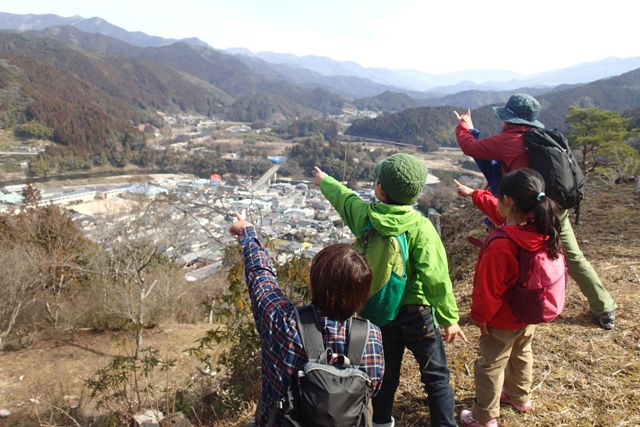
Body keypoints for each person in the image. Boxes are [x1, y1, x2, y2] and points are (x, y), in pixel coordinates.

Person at [314, 153, 467, 427]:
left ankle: (381, 422)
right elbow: (435, 277)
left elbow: (344, 199)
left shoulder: (365, 216)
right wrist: (449, 318)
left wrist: (325, 181)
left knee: (384, 377)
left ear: (380, 189)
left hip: (380, 317)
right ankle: (445, 423)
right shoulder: (421, 226)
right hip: (417, 315)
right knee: (436, 377)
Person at [453, 93, 617, 330]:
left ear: (507, 118)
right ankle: (604, 307)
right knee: (572, 256)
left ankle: (511, 310)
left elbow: (470, 147)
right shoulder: (542, 138)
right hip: (554, 206)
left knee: (506, 255)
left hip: (524, 212)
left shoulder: (507, 140)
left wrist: (464, 127)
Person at [229, 213, 384, 426]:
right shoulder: (371, 336)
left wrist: (248, 232)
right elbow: (373, 386)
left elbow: (260, 277)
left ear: (313, 285)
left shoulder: (284, 322)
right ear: (363, 294)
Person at [454, 168, 563, 427]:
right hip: (529, 311)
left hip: (501, 318)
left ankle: (484, 416)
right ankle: (518, 396)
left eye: (499, 196)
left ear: (509, 201)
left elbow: (488, 290)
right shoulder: (542, 228)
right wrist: (475, 194)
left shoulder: (501, 245)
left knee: (490, 365)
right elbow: (497, 209)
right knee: (522, 352)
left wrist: (479, 318)